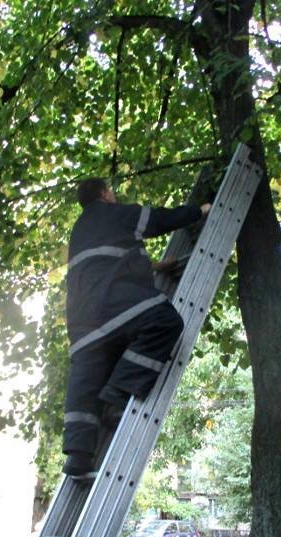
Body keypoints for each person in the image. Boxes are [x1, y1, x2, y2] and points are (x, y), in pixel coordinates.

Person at [62, 178, 211, 476]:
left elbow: (106, 262)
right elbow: (158, 220)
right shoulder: (113, 213)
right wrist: (199, 211)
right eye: (111, 190)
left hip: (81, 321)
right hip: (113, 304)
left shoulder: (80, 231)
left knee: (85, 382)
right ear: (104, 193)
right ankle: (119, 393)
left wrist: (156, 267)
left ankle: (77, 457)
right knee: (165, 321)